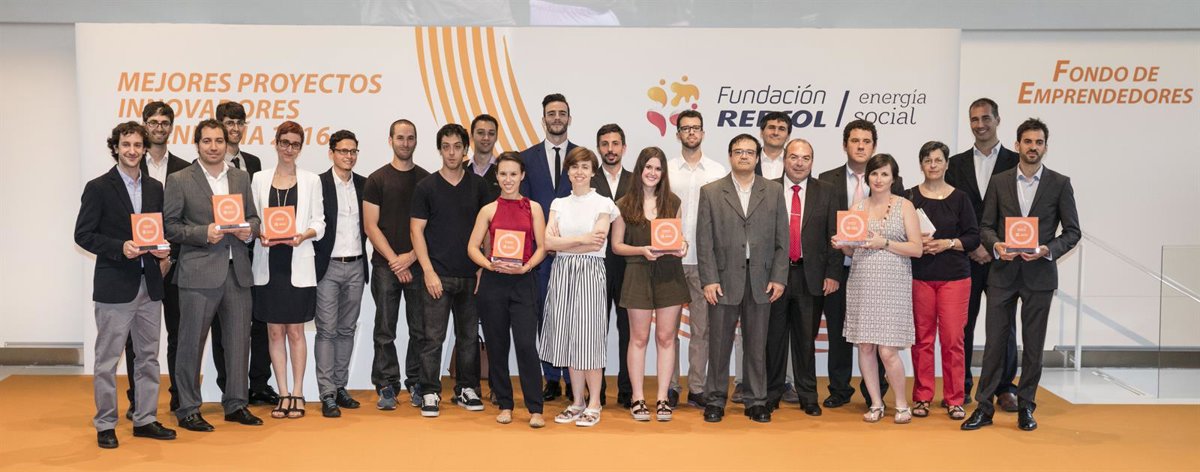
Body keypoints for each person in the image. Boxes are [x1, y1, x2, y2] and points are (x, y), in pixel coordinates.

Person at [962, 118, 1080, 432]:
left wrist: (1047, 249)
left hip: (1039, 276)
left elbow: (1072, 232)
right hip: (1002, 273)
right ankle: (984, 408)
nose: (1033, 147)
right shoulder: (1000, 182)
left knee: (1033, 345)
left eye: (1039, 142)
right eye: (1027, 141)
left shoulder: (1060, 183)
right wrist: (996, 245)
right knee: (994, 344)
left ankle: (1026, 406)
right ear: (1017, 145)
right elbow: (986, 226)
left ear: (1045, 147)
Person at [75, 121, 176, 448]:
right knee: (107, 360)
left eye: (137, 145)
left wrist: (163, 251)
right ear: (116, 148)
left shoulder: (155, 188)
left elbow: (158, 231)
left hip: (150, 285)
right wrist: (120, 247)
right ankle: (105, 424)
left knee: (148, 358)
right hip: (115, 286)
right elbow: (83, 234)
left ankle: (145, 419)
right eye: (126, 144)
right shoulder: (98, 187)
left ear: (145, 149)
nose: (132, 150)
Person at [164, 119, 262, 431]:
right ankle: (188, 408)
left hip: (237, 272)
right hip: (198, 274)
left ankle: (236, 404)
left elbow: (254, 217)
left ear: (226, 143)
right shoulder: (180, 179)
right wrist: (202, 232)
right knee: (190, 344)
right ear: (197, 144)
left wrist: (250, 230)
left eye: (218, 140)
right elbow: (170, 226)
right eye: (207, 141)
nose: (214, 147)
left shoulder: (240, 177)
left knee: (238, 344)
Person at [696, 134, 789, 424]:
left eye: (750, 152)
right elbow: (704, 241)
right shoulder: (711, 192)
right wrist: (709, 280)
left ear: (757, 157)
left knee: (757, 345)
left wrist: (779, 277)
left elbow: (782, 239)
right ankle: (715, 400)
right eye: (739, 151)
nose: (744, 156)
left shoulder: (773, 191)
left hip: (762, 279)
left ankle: (756, 400)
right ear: (730, 156)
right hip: (723, 280)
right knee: (719, 345)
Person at [817, 119, 904, 408]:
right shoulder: (826, 179)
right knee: (839, 332)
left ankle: (874, 394)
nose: (860, 146)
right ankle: (839, 389)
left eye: (866, 141)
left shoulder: (889, 180)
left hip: (878, 271)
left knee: (876, 335)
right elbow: (825, 227)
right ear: (845, 145)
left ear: (874, 146)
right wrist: (831, 269)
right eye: (855, 140)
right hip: (839, 268)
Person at [834, 153, 924, 424]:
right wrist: (843, 245)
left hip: (893, 284)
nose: (879, 179)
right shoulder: (857, 207)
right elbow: (852, 250)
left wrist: (884, 243)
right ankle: (875, 403)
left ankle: (901, 404)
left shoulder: (904, 206)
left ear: (893, 178)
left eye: (885, 174)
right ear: (867, 177)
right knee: (865, 347)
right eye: (874, 173)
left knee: (887, 350)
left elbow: (917, 249)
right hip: (862, 282)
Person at [410, 123, 491, 417]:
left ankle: (466, 388)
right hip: (437, 276)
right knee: (432, 338)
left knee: (468, 337)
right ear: (439, 150)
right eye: (446, 147)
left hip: (471, 275)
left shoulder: (479, 186)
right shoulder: (426, 187)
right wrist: (428, 271)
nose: (452, 153)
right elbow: (416, 231)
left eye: (457, 147)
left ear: (466, 149)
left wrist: (483, 266)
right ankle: (429, 390)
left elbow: (487, 230)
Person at [945, 98, 1021, 410]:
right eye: (974, 119)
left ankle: (1004, 388)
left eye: (986, 118)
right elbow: (950, 211)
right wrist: (974, 245)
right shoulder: (955, 164)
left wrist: (993, 246)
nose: (980, 125)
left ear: (997, 120)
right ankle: (960, 386)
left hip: (1004, 257)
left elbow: (1020, 209)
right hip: (966, 258)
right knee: (962, 325)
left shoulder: (1016, 162)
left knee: (1004, 325)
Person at [466, 152, 548, 428]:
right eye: (503, 174)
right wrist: (489, 265)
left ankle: (535, 408)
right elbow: (472, 247)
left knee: (526, 345)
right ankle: (505, 404)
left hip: (524, 283)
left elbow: (543, 247)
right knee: (497, 346)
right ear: (497, 176)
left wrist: (526, 267)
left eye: (513, 174)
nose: (508, 179)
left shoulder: (534, 208)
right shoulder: (488, 210)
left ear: (522, 175)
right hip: (494, 284)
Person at [250, 121, 325, 419]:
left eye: (295, 144)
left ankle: (298, 392)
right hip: (268, 264)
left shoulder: (311, 180)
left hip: (298, 263)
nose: (289, 149)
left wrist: (303, 235)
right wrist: (258, 233)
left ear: (300, 148)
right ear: (276, 143)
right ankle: (282, 392)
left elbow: (319, 222)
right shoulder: (259, 179)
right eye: (284, 143)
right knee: (273, 332)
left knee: (295, 331)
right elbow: (253, 218)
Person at [540, 147, 619, 427]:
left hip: (590, 272)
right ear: (568, 171)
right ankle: (577, 402)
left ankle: (594, 401)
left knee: (589, 338)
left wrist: (566, 243)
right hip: (562, 273)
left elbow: (597, 242)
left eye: (585, 167)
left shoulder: (604, 203)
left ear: (593, 171)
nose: (579, 172)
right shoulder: (558, 203)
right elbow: (548, 243)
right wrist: (580, 239)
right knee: (569, 337)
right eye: (574, 167)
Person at [611, 146, 688, 422]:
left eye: (658, 168)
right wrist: (641, 250)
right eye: (648, 167)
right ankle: (638, 398)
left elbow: (679, 238)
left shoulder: (673, 202)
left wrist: (683, 246)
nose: (653, 173)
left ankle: (663, 398)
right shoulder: (623, 204)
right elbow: (617, 246)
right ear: (640, 169)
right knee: (639, 338)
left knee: (666, 338)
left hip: (669, 274)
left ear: (663, 173)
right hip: (637, 273)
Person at [765, 138, 841, 417]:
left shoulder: (827, 191)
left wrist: (833, 273)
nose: (799, 163)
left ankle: (808, 395)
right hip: (775, 277)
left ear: (812, 161)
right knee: (773, 340)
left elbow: (834, 235)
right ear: (784, 159)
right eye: (794, 157)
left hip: (811, 277)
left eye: (805, 158)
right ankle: (771, 394)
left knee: (806, 341)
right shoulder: (768, 189)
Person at [124, 101, 189, 417]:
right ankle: (138, 400)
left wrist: (169, 256)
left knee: (179, 335)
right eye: (153, 122)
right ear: (144, 124)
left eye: (164, 122)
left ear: (171, 127)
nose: (159, 127)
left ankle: (180, 397)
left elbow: (188, 217)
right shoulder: (132, 165)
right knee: (136, 340)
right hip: (140, 265)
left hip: (176, 265)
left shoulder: (186, 168)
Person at [907, 141, 980, 420]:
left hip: (955, 278)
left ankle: (954, 398)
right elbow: (900, 233)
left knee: (952, 340)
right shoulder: (909, 197)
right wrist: (917, 243)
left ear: (947, 164)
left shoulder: (960, 198)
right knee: (922, 340)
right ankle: (922, 396)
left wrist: (948, 243)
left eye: (938, 160)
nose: (933, 165)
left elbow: (973, 237)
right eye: (928, 160)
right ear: (921, 164)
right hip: (920, 277)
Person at [211, 101, 276, 407]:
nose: (235, 128)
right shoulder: (203, 165)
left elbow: (256, 206)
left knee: (259, 320)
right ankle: (229, 386)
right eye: (229, 122)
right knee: (222, 325)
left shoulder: (253, 161)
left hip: (253, 252)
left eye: (239, 123)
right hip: (219, 254)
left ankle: (259, 383)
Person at [363, 119, 430, 410]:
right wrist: (395, 261)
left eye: (410, 137)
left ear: (416, 141)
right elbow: (370, 226)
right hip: (385, 266)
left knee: (420, 329)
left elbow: (431, 227)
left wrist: (411, 257)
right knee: (384, 329)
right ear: (390, 140)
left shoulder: (427, 180)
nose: (405, 142)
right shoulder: (376, 180)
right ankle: (386, 384)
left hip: (417, 264)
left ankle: (416, 382)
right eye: (400, 137)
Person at [518, 93, 578, 401]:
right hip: (539, 255)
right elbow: (524, 208)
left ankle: (573, 377)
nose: (557, 118)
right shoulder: (526, 159)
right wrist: (544, 243)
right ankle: (551, 377)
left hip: (573, 255)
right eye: (551, 113)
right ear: (543, 120)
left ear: (569, 118)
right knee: (544, 316)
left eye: (562, 113)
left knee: (572, 317)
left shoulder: (582, 157)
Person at [667, 110, 726, 409]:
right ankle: (670, 386)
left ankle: (697, 387)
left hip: (704, 262)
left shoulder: (717, 171)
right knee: (668, 330)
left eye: (696, 128)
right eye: (685, 128)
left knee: (702, 330)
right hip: (669, 261)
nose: (691, 132)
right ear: (677, 133)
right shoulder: (666, 169)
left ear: (703, 133)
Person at [313, 130, 369, 418]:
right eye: (343, 151)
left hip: (357, 265)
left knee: (347, 329)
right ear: (331, 153)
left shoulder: (365, 185)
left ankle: (340, 385)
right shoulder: (318, 184)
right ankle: (327, 393)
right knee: (327, 330)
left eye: (353, 151)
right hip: (329, 267)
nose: (349, 156)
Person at [591, 123, 633, 408]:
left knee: (629, 330)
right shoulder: (587, 180)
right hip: (596, 265)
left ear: (624, 148)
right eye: (605, 144)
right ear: (598, 148)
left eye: (615, 143)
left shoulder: (637, 180)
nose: (610, 149)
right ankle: (597, 391)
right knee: (596, 330)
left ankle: (628, 390)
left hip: (630, 266)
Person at [467, 114, 501, 201]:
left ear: (496, 137)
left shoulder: (504, 171)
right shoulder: (460, 170)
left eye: (491, 133)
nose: (486, 138)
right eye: (480, 133)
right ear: (471, 135)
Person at [754, 111, 791, 180]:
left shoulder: (795, 161)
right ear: (761, 133)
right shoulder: (750, 158)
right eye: (771, 127)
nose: (776, 133)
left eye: (781, 129)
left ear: (788, 136)